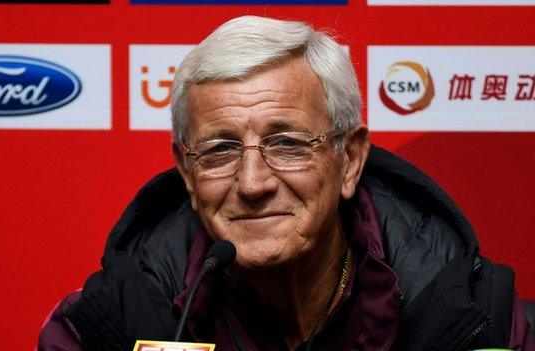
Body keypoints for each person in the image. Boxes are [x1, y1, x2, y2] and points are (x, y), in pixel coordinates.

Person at [37, 15, 534, 351]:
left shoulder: (477, 320)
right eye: (219, 150)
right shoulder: (103, 327)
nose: (252, 183)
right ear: (187, 173)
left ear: (350, 160)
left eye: (289, 144)